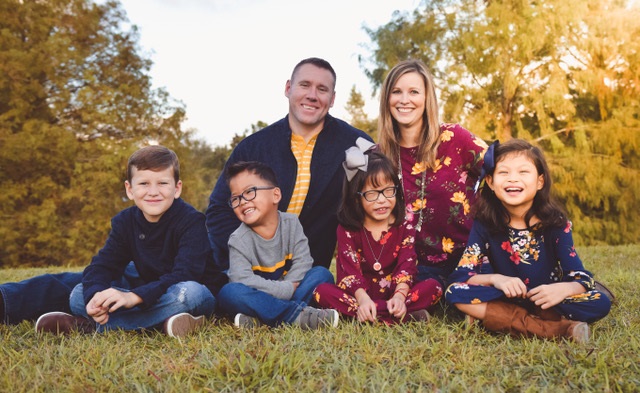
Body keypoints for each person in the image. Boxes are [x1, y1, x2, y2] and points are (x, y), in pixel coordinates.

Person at [35, 145, 227, 337]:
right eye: (143, 184)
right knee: (79, 294)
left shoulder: (191, 221)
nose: (153, 192)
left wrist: (133, 297)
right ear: (130, 189)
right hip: (152, 295)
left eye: (162, 183)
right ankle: (163, 323)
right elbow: (102, 265)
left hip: (193, 292)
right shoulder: (125, 222)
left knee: (189, 293)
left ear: (177, 189)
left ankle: (92, 327)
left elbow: (185, 274)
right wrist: (96, 295)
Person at [206, 57, 372, 273]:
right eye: (305, 85)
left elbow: (379, 200)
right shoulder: (254, 147)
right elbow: (219, 211)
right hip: (248, 269)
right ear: (288, 88)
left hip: (307, 271)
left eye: (322, 89)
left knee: (320, 278)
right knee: (232, 291)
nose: (312, 95)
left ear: (332, 99)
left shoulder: (356, 145)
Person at [445, 139, 611, 342]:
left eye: (523, 172)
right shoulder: (485, 224)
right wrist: (497, 279)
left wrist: (563, 289)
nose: (512, 179)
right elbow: (462, 275)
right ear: (490, 181)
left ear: (540, 181)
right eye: (503, 172)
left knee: (599, 301)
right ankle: (552, 329)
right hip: (504, 296)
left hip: (546, 299)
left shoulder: (556, 224)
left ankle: (496, 317)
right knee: (455, 292)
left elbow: (581, 277)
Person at [377, 59, 487, 288]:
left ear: (427, 98)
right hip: (412, 267)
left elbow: (503, 169)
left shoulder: (454, 138)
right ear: (387, 99)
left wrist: (488, 211)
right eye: (396, 91)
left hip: (470, 258)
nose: (404, 100)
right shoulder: (377, 156)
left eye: (414, 92)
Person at [314, 139, 441, 324]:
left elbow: (407, 264)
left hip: (395, 294)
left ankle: (375, 315)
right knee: (321, 292)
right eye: (372, 194)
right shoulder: (348, 229)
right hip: (359, 296)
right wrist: (363, 300)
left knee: (433, 287)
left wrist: (399, 297)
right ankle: (398, 317)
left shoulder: (404, 225)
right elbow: (349, 271)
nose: (382, 200)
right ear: (357, 198)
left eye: (388, 191)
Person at [216, 161, 338, 329]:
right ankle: (296, 316)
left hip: (290, 290)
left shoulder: (291, 223)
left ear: (275, 195)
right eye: (235, 198)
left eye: (250, 192)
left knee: (321, 274)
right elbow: (242, 279)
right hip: (263, 295)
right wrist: (284, 290)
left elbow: (303, 262)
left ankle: (264, 319)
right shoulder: (238, 239)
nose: (242, 201)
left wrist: (287, 288)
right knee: (229, 293)